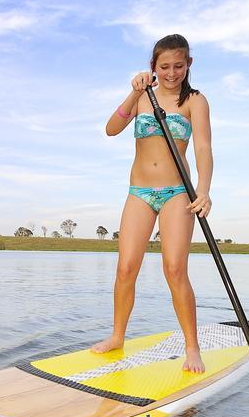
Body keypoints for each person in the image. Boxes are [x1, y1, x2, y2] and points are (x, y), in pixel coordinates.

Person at [91, 34, 212, 373]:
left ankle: (192, 348)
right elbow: (111, 129)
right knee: (125, 267)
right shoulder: (143, 97)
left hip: (177, 192)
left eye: (178, 65)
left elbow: (203, 148)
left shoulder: (195, 101)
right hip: (139, 192)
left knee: (174, 269)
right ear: (153, 68)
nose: (172, 73)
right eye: (164, 67)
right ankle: (117, 336)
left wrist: (203, 190)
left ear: (189, 64)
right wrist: (134, 92)